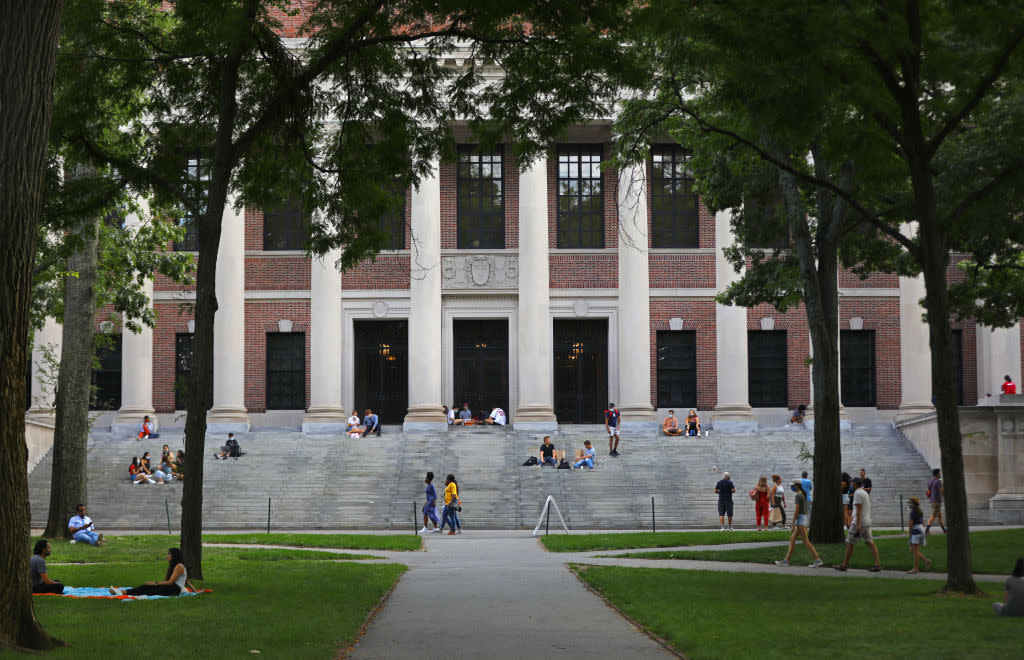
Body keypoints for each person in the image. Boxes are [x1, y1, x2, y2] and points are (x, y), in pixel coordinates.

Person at [833, 477, 882, 572]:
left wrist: (858, 524)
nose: (851, 485)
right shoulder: (864, 493)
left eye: (852, 483)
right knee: (870, 542)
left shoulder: (857, 493)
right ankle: (877, 564)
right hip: (867, 521)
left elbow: (858, 510)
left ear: (854, 484)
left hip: (859, 522)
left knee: (850, 543)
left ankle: (844, 565)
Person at [774, 479, 823, 567]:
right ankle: (786, 561)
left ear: (796, 486)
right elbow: (805, 510)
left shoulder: (798, 496)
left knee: (806, 541)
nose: (791, 487)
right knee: (792, 539)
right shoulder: (803, 495)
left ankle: (817, 559)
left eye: (792, 486)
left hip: (800, 520)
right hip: (802, 519)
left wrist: (792, 524)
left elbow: (797, 511)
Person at [110, 547, 195, 597]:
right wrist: (195, 591)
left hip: (174, 589)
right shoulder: (175, 566)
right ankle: (122, 592)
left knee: (150, 590)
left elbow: (170, 582)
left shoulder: (179, 566)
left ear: (173, 556)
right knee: (146, 586)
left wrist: (155, 583)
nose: (167, 555)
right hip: (172, 588)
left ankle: (122, 593)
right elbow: (186, 581)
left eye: (168, 554)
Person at [906, 497, 932, 574]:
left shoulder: (913, 512)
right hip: (920, 531)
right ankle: (926, 561)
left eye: (910, 503)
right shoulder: (919, 511)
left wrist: (909, 534)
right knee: (912, 550)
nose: (909, 504)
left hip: (916, 532)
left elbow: (910, 524)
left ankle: (915, 569)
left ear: (914, 503)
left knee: (915, 551)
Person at [925, 467, 946, 534]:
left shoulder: (930, 481)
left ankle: (944, 530)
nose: (940, 475)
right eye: (939, 473)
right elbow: (942, 492)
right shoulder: (938, 482)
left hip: (932, 501)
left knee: (939, 516)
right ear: (937, 474)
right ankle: (927, 529)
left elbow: (928, 492)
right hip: (937, 502)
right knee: (933, 516)